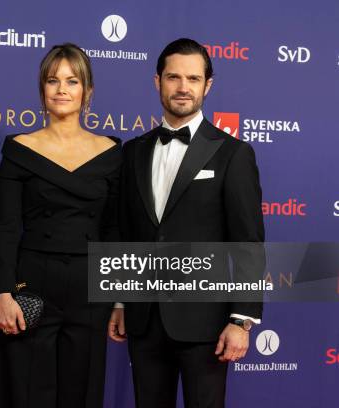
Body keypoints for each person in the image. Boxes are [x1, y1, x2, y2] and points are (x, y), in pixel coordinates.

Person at [109, 38, 264, 408]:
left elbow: (248, 242)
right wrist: (116, 299)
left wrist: (241, 319)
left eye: (193, 79)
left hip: (206, 321)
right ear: (157, 81)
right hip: (144, 317)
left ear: (207, 85)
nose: (183, 87)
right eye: (173, 77)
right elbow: (123, 233)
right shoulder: (132, 151)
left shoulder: (233, 154)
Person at [0, 43, 121, 408]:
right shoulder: (18, 149)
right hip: (31, 285)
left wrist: (121, 299)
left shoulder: (112, 153)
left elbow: (113, 231)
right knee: (26, 391)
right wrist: (3, 292)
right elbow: (7, 227)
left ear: (87, 92)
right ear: (42, 90)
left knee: (82, 391)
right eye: (53, 81)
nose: (62, 89)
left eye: (72, 81)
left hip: (90, 287)